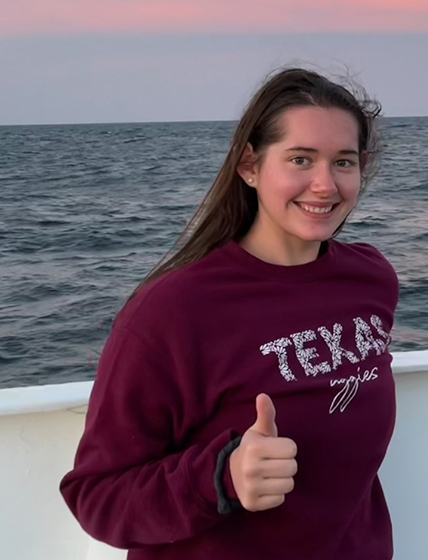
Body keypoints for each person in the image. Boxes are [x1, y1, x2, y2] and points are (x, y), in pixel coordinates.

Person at [60, 67, 399, 560]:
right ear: (250, 166)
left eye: (343, 162)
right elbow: (97, 496)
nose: (325, 185)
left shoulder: (371, 279)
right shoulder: (174, 310)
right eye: (300, 159)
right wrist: (222, 476)